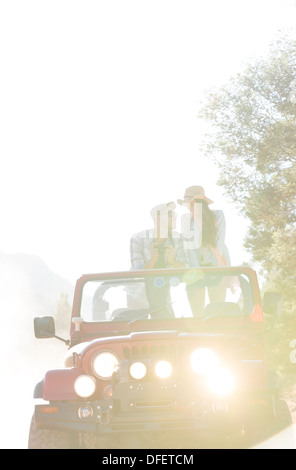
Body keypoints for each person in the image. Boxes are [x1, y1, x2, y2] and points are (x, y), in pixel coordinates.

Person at [177, 185, 231, 316]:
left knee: (217, 311)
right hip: (197, 267)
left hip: (217, 264)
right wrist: (197, 272)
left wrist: (214, 269)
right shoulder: (186, 220)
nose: (188, 206)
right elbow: (190, 249)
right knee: (197, 312)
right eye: (186, 204)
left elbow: (219, 242)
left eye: (191, 203)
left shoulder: (218, 215)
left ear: (200, 203)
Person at [130, 202, 185, 318]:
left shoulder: (178, 239)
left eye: (174, 213)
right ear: (158, 218)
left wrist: (173, 261)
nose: (175, 216)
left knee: (166, 326)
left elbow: (186, 270)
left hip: (164, 296)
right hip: (138, 296)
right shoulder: (137, 239)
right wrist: (152, 260)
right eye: (170, 214)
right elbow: (136, 273)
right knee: (140, 328)